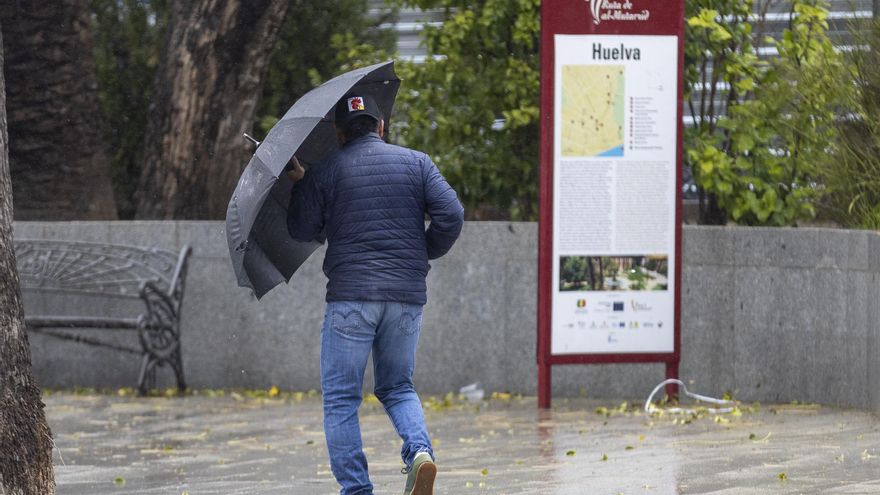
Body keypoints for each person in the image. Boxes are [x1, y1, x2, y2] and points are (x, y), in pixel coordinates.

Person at [286, 93, 464, 495]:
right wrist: (422, 250)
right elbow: (451, 215)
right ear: (380, 127)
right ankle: (419, 452)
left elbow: (301, 229)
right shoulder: (417, 162)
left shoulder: (327, 169)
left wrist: (303, 184)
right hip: (405, 297)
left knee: (341, 400)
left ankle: (357, 490)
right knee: (398, 387)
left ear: (338, 133)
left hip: (351, 299)